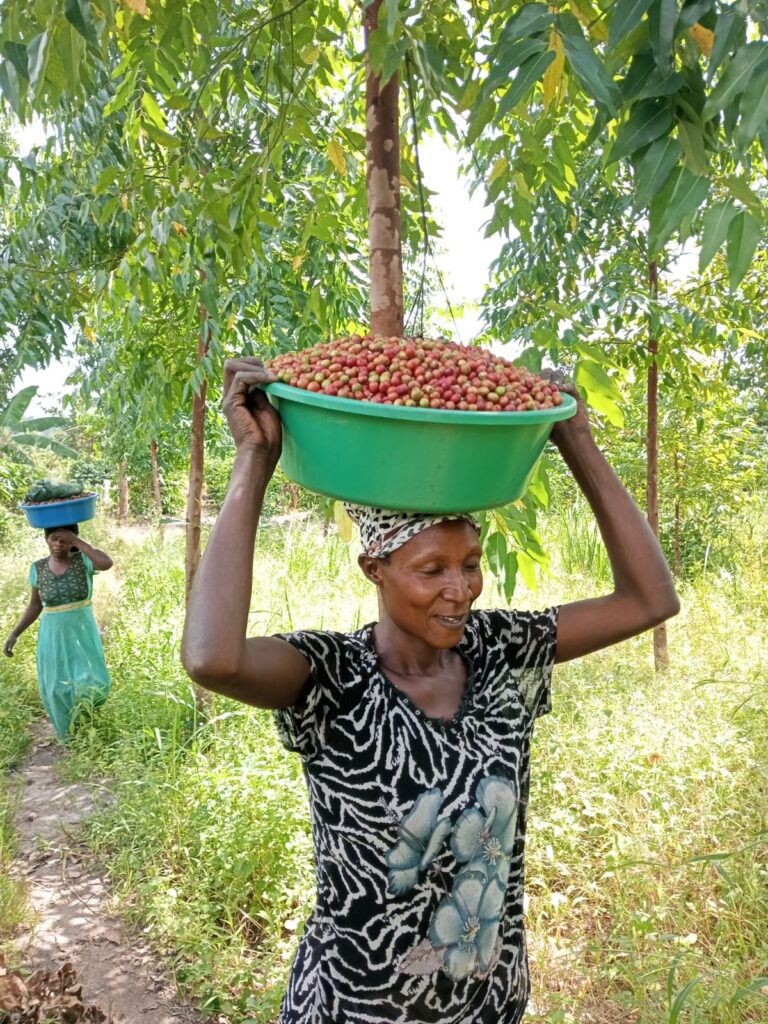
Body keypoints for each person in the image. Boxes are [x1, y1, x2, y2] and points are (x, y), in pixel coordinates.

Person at [181, 357, 680, 1024]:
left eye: (470, 565)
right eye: (431, 570)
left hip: (486, 1004)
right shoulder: (333, 676)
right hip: (355, 1009)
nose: (461, 590)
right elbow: (212, 660)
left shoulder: (498, 653)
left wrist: (574, 439)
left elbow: (650, 599)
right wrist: (254, 460)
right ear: (374, 569)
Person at [4, 524, 114, 741]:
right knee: (57, 687)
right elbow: (35, 605)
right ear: (46, 540)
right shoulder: (38, 568)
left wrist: (78, 542)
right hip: (52, 634)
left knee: (92, 682)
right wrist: (15, 633)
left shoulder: (83, 561)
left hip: (82, 631)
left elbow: (106, 563)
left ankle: (88, 726)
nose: (58, 544)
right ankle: (70, 737)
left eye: (63, 540)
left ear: (72, 541)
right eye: (54, 539)